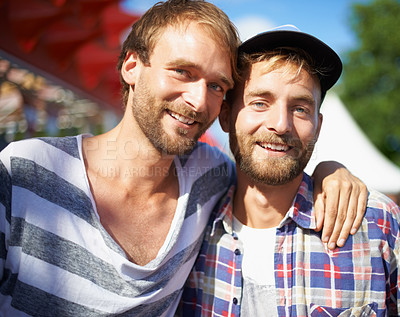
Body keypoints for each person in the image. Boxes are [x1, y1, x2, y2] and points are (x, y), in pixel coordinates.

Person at [0, 1, 366, 316]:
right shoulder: (24, 172)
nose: (198, 100)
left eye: (216, 86)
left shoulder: (211, 177)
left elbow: (269, 171)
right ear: (131, 66)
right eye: (182, 72)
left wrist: (330, 171)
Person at [180, 25, 400, 316]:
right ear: (225, 115)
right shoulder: (191, 230)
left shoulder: (376, 225)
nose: (281, 124)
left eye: (300, 109)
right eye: (260, 103)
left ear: (318, 126)